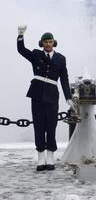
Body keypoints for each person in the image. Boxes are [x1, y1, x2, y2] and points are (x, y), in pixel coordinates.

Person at [16, 26, 73, 171]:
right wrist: (20, 34)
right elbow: (21, 50)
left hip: (52, 95)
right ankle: (41, 157)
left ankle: (50, 156)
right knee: (39, 125)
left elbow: (64, 80)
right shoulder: (36, 54)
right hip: (37, 94)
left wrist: (69, 98)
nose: (48, 44)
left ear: (54, 42)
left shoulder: (61, 58)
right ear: (42, 43)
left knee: (51, 125)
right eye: (45, 42)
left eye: (50, 41)